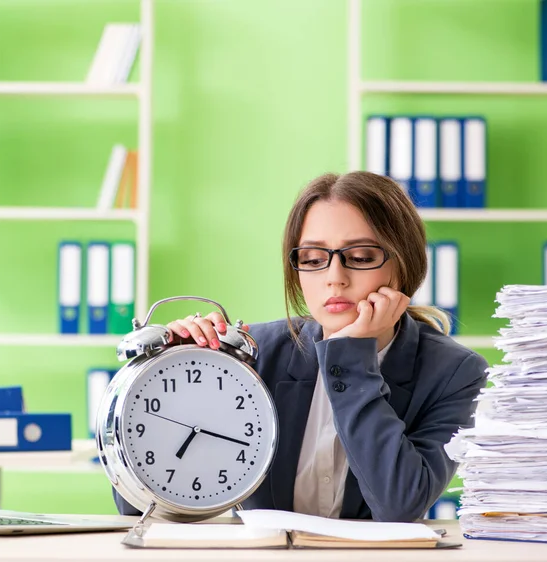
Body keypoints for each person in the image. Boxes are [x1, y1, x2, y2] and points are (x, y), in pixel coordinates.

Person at [113, 171, 488, 522]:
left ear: (404, 265)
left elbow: (399, 505)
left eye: (360, 257)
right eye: (312, 259)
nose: (334, 278)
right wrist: (169, 376)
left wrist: (351, 357)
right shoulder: (252, 354)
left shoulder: (455, 373)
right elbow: (137, 505)